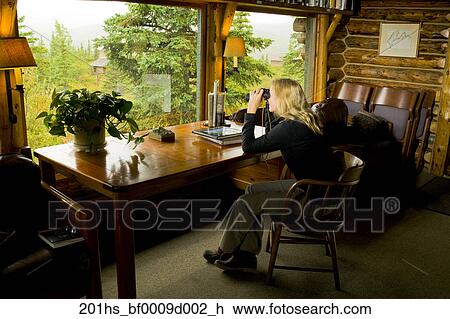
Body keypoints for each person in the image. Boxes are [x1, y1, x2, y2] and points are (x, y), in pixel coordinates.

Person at [203, 78, 339, 271]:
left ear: (283, 99)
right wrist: (267, 111)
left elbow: (249, 146)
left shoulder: (291, 127)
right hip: (316, 187)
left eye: (271, 96)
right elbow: (271, 134)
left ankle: (224, 250)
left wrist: (251, 110)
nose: (268, 100)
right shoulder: (305, 118)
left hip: (310, 197)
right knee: (251, 190)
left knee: (246, 202)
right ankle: (246, 255)